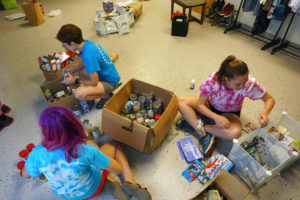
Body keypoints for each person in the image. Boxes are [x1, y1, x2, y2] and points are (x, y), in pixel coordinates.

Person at [21, 106, 151, 200]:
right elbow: (117, 169)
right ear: (74, 126)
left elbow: (25, 175)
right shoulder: (84, 151)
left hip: (66, 195)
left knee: (93, 148)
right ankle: (130, 182)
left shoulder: (37, 154)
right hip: (90, 188)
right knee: (113, 144)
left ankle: (110, 181)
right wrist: (104, 160)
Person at [177, 55, 275, 156]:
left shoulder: (248, 84)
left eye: (245, 81)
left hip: (230, 113)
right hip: (210, 105)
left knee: (235, 133)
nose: (242, 86)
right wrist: (216, 117)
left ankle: (199, 126)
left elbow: (269, 99)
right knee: (180, 101)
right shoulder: (213, 80)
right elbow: (200, 104)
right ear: (226, 79)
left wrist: (265, 112)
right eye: (238, 84)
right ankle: (203, 134)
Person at [56, 24, 121, 109]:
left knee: (78, 94)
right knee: (77, 71)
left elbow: (94, 82)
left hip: (110, 83)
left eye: (65, 46)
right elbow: (86, 63)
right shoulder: (86, 44)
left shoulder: (88, 55)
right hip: (105, 75)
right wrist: (72, 70)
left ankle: (106, 96)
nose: (64, 48)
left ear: (72, 44)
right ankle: (93, 92)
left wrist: (75, 81)